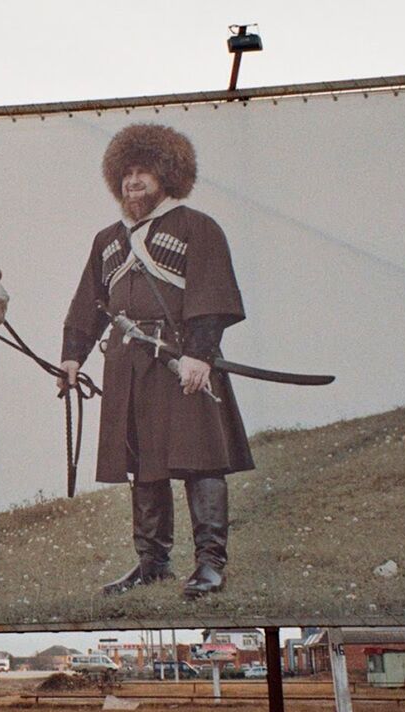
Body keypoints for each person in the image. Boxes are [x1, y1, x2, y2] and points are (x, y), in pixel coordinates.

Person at [59, 124, 254, 598]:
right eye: (125, 174)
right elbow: (90, 303)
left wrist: (199, 355)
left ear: (167, 174)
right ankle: (152, 563)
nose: (133, 182)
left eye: (143, 172)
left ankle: (210, 563)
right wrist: (71, 357)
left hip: (181, 361)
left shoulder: (197, 227)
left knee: (201, 461)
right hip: (128, 367)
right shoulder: (108, 239)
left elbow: (212, 292)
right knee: (143, 466)